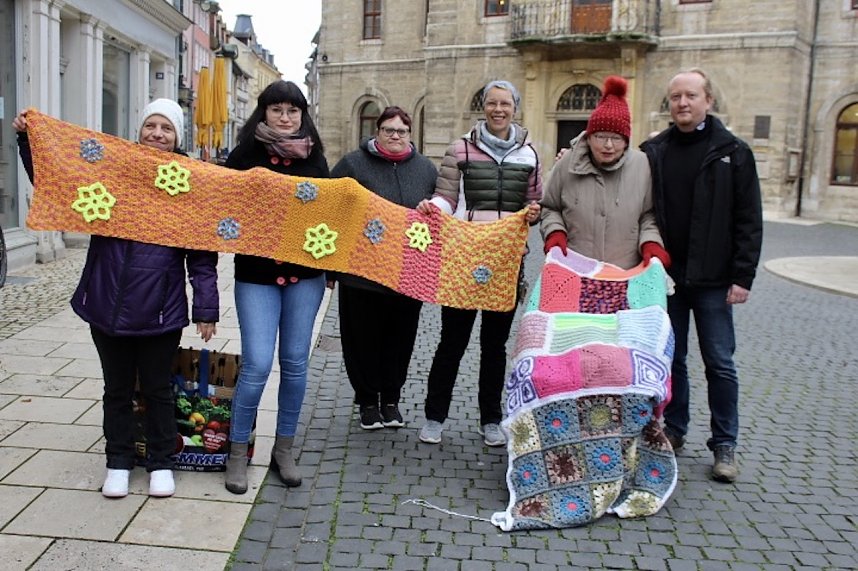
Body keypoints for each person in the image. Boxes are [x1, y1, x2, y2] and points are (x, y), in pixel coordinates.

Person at [13, 99, 220, 499]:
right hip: (106, 303)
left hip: (161, 310)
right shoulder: (113, 170)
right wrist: (27, 140)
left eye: (167, 128)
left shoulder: (188, 185)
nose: (157, 134)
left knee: (159, 390)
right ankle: (119, 462)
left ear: (178, 137)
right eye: (151, 126)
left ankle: (162, 462)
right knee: (117, 390)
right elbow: (57, 180)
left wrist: (206, 308)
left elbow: (202, 256)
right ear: (139, 129)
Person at [640, 68, 763, 483]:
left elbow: (749, 219)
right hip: (669, 278)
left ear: (708, 100)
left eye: (691, 95)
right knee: (672, 359)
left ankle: (724, 444)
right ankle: (675, 429)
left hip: (714, 280)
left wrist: (742, 277)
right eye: (675, 97)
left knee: (720, 363)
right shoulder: (653, 151)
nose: (682, 103)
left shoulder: (733, 152)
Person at [415, 80, 542, 447]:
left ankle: (490, 419)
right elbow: (445, 196)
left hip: (506, 260)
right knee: (451, 341)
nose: (498, 109)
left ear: (515, 108)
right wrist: (431, 207)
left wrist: (533, 212)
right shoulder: (460, 149)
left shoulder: (529, 154)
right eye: (492, 103)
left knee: (494, 344)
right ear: (483, 107)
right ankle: (435, 416)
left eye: (505, 103)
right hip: (464, 255)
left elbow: (534, 205)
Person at [222, 80, 330, 494]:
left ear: (303, 115)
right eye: (276, 110)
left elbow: (334, 214)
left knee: (296, 364)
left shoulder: (315, 157)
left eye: (293, 111)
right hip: (257, 276)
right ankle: (237, 451)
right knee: (256, 364)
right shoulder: (245, 155)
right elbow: (218, 203)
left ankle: (283, 448)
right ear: (263, 113)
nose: (285, 118)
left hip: (305, 277)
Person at [330, 107, 437, 430]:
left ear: (410, 135)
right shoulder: (353, 164)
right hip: (361, 274)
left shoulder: (425, 169)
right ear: (377, 132)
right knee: (362, 340)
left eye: (401, 131)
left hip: (407, 274)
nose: (395, 136)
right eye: (388, 130)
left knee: (400, 339)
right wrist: (330, 265)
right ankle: (366, 401)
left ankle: (391, 400)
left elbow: (440, 212)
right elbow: (330, 205)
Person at [540, 75, 668, 270]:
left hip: (624, 272)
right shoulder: (567, 163)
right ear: (589, 137)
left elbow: (649, 215)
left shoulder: (643, 166)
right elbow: (550, 207)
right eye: (601, 137)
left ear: (626, 141)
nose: (608, 145)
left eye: (616, 138)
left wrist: (650, 243)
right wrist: (555, 232)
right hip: (575, 268)